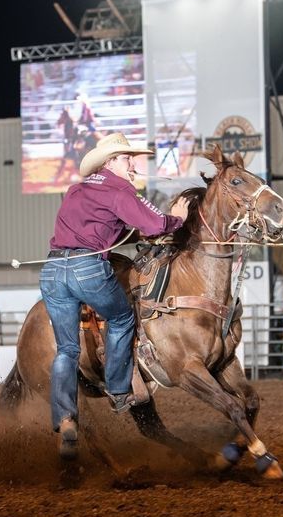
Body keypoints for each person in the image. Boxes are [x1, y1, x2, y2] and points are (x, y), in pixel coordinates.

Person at [41, 132, 189, 454]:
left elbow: (109, 225)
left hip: (52, 270)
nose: (133, 164)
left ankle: (66, 419)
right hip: (88, 268)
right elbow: (153, 224)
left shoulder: (77, 190)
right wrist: (178, 218)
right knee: (121, 318)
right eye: (126, 158)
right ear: (110, 163)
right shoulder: (119, 188)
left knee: (66, 350)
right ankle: (120, 391)